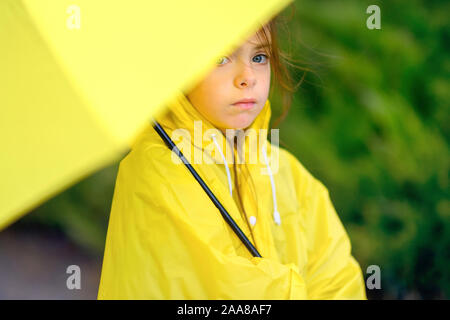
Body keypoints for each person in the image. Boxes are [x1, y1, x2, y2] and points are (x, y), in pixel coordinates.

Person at [97, 17, 367, 299]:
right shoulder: (156, 171)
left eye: (260, 56)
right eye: (222, 58)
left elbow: (338, 279)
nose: (248, 77)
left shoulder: (288, 174)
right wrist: (293, 290)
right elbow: (213, 289)